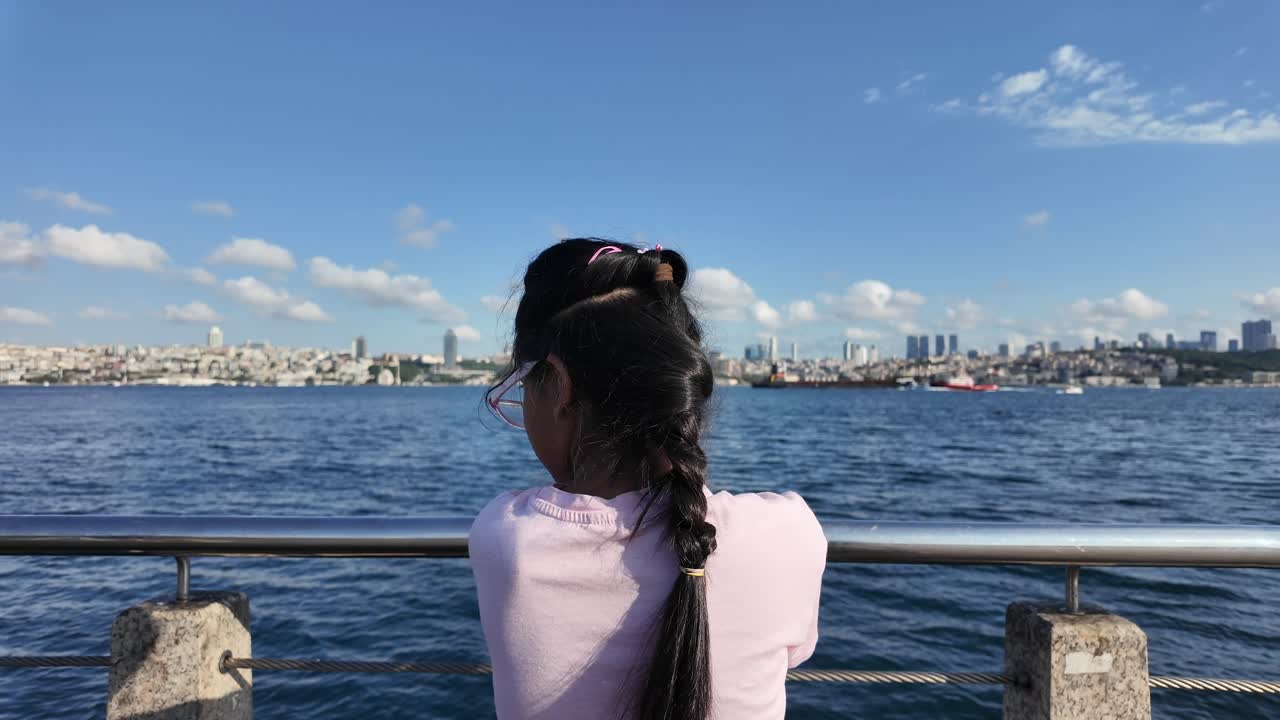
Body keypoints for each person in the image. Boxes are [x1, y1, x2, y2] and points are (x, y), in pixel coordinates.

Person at [471, 239, 827, 720]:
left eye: (519, 386)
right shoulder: (791, 533)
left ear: (557, 386)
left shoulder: (505, 537)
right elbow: (792, 655)